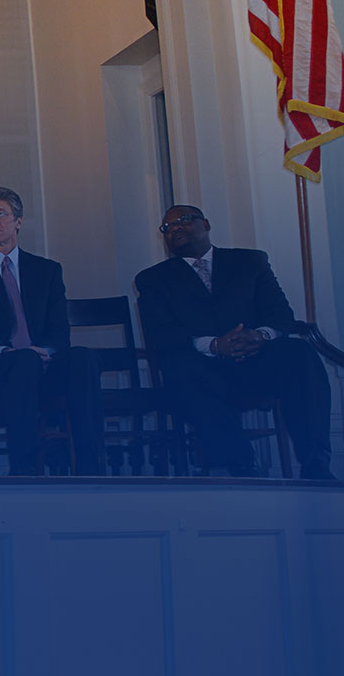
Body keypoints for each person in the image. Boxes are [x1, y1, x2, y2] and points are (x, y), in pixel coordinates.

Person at [136, 204, 333, 480]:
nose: (175, 229)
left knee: (298, 352)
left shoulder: (250, 262)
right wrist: (216, 345)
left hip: (256, 363)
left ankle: (316, 464)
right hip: (203, 370)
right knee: (180, 366)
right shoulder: (153, 279)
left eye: (183, 221)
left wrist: (259, 336)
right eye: (167, 227)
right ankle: (241, 466)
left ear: (205, 224)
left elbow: (281, 316)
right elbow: (163, 333)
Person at [0, 187, 105, 475]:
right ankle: (25, 468)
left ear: (18, 221)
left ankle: (90, 466)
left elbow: (60, 329)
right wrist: (8, 351)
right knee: (24, 361)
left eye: (0, 214)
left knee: (84, 358)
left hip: (42, 358)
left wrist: (44, 351)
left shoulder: (46, 270)